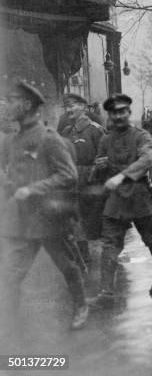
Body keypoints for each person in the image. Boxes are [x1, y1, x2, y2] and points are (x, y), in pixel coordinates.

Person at [0, 81, 88, 331]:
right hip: (22, 220)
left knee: (68, 267)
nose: (8, 105)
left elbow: (69, 175)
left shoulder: (49, 139)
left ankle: (81, 305)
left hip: (50, 217)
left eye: (14, 100)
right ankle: (10, 326)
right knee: (11, 273)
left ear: (27, 105)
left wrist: (32, 189)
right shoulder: (13, 140)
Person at [89, 93, 152, 308]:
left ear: (129, 112)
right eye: (115, 112)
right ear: (110, 115)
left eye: (122, 111)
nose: (119, 115)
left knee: (151, 239)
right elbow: (100, 169)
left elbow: (147, 160)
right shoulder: (105, 139)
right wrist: (100, 167)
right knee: (110, 243)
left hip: (139, 194)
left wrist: (122, 175)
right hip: (116, 200)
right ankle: (106, 292)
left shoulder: (141, 136)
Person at [59, 93, 106, 259]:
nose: (68, 109)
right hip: (73, 185)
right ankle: (83, 258)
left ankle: (104, 267)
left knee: (95, 225)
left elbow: (105, 157)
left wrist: (95, 170)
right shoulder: (65, 132)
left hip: (93, 186)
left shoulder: (96, 130)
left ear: (84, 107)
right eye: (66, 107)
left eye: (72, 105)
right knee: (75, 222)